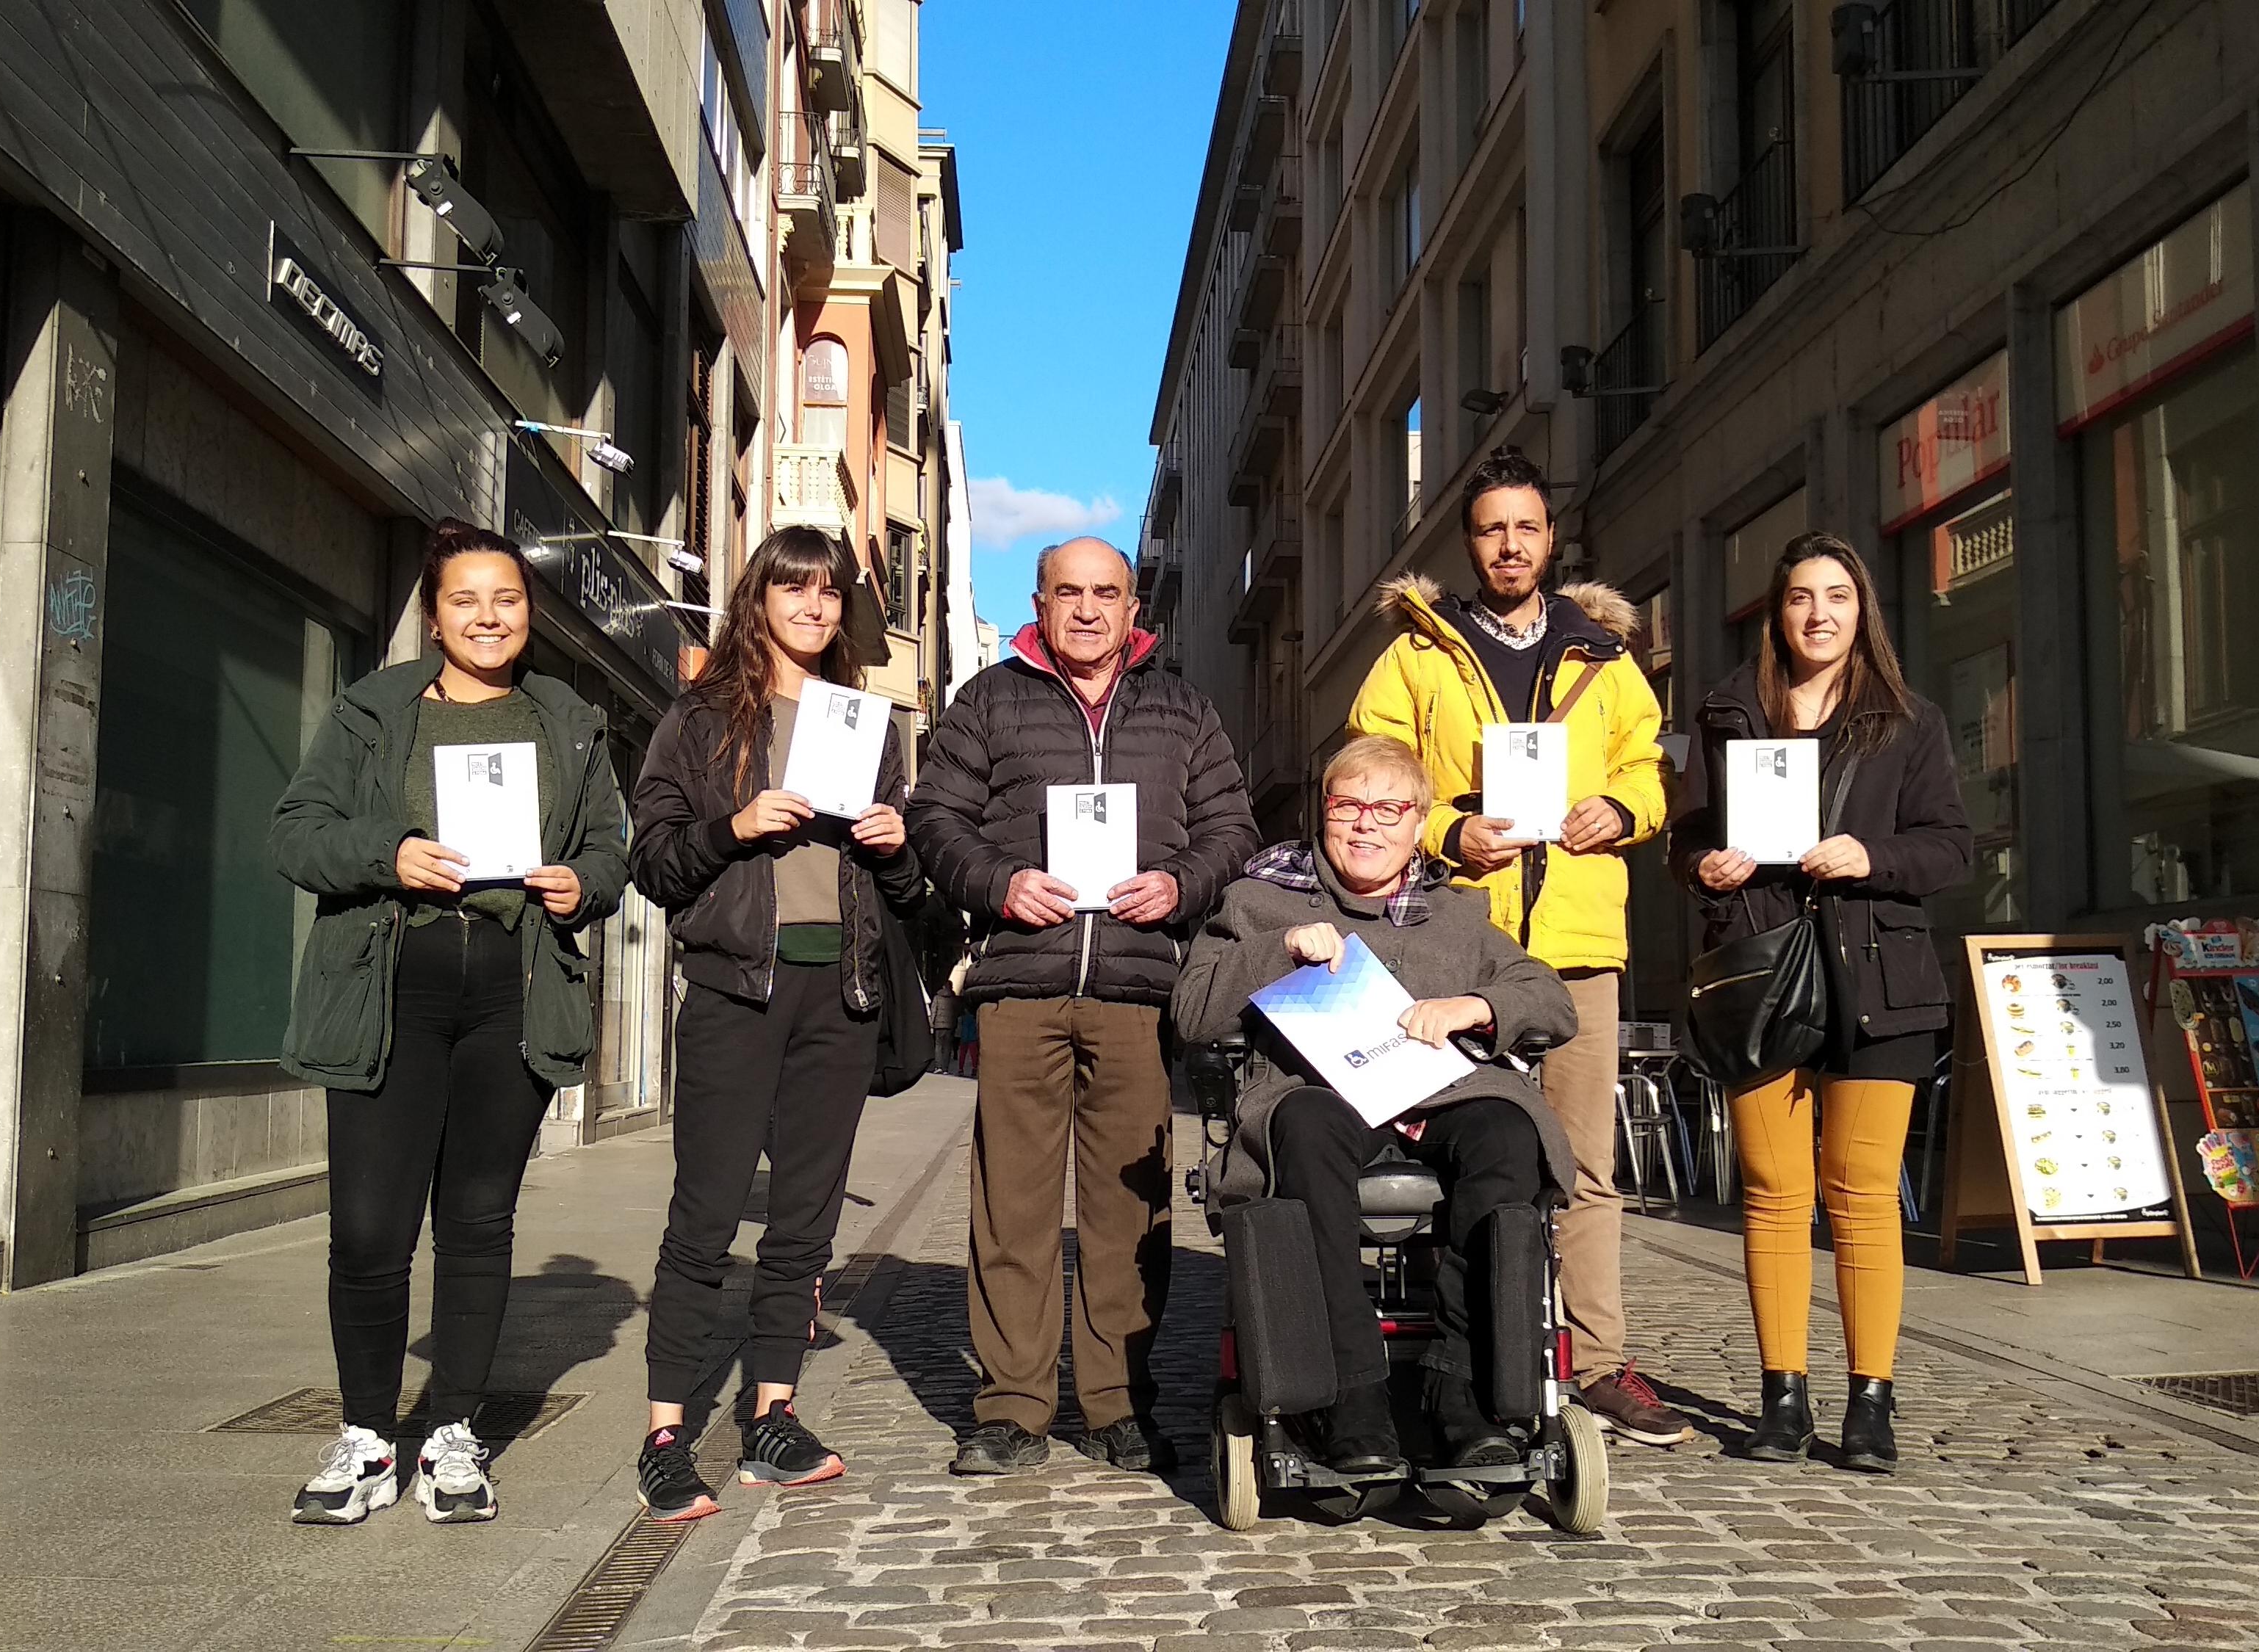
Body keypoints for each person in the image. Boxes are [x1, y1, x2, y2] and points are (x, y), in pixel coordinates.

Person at [271, 518, 629, 1525]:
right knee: (370, 1228)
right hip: (390, 992)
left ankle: (456, 1434)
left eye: (506, 599)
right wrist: (390, 853)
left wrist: (581, 883)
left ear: (529, 613)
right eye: (465, 599)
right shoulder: (373, 711)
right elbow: (295, 833)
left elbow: (611, 844)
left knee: (477, 1222)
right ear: (434, 616)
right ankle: (365, 1436)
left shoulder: (567, 718)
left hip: (509, 996)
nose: (487, 616)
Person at [1347, 446, 1689, 1448]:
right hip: (1453, 946)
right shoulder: (1417, 654)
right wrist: (1448, 830)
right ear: (1468, 542)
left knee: (1585, 1164)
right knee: (1457, 1152)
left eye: (1525, 527)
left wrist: (1619, 808)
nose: (1509, 543)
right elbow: (1369, 771)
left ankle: (1594, 1359)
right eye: (1491, 528)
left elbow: (1650, 767)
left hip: (1577, 945)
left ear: (1550, 539)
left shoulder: (1605, 657)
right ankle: (1460, 1351)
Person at [908, 536, 1258, 1476]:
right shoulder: (990, 700)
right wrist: (998, 881)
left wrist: (1180, 886)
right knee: (1011, 1208)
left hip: (1142, 990)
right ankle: (1013, 1407)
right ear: (1041, 599)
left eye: (1107, 593)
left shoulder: (1183, 709)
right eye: (1070, 593)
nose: (1090, 610)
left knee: (1127, 1214)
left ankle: (1117, 1405)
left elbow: (1234, 828)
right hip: (1023, 983)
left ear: (1134, 607)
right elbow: (934, 818)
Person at [1173, 736, 1580, 1472]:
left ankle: (1465, 1390)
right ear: (1322, 814)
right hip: (1318, 1093)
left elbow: (1551, 999)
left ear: (1419, 823)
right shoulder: (1260, 900)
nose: (1367, 824)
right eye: (1349, 806)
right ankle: (1352, 1394)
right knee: (1306, 1124)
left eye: (1389, 808)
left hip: (1443, 1093)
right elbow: (1194, 1013)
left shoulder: (1458, 913)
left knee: (1506, 1128)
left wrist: (1476, 1004)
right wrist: (1279, 951)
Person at [625, 527, 925, 1521]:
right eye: (793, 589)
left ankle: (771, 1415)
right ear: (758, 596)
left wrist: (893, 843)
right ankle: (666, 1432)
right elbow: (656, 860)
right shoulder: (704, 712)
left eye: (829, 593)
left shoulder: (865, 721)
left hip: (836, 993)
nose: (813, 607)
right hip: (732, 988)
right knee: (705, 1216)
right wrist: (734, 827)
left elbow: (906, 886)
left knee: (803, 1220)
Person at [1667, 531, 1971, 1474]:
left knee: (1863, 1194)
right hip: (1761, 978)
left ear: (1861, 610)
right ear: (1777, 610)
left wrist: (1872, 858)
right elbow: (1688, 839)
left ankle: (1870, 1404)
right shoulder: (1728, 714)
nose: (1818, 614)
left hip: (1880, 980)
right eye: (1801, 596)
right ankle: (1783, 1399)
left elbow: (1953, 847)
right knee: (1772, 1194)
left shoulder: (1909, 722)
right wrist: (1705, 869)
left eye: (1836, 596)